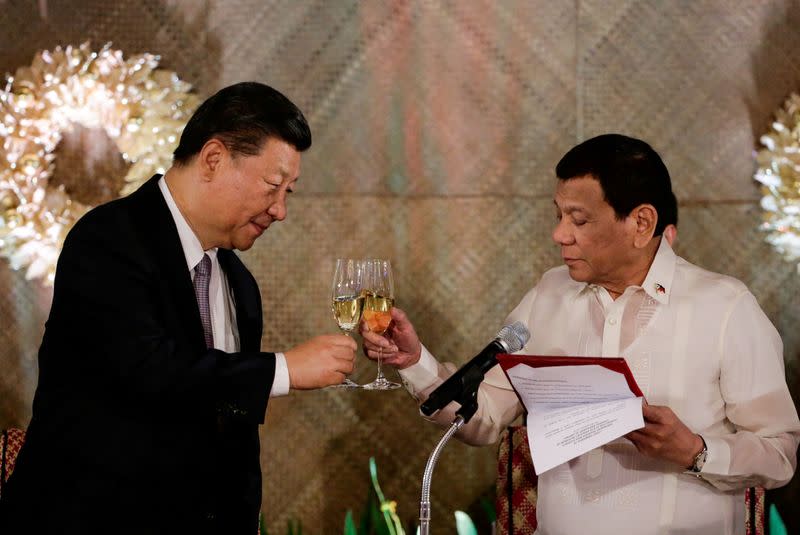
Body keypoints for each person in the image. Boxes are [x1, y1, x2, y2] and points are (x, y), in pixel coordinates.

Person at [362, 134, 800, 534]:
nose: (559, 234)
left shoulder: (725, 306)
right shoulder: (550, 294)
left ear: (642, 223)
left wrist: (696, 451)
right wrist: (415, 362)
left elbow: (779, 454)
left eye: (579, 220)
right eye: (558, 216)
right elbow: (482, 419)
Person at [0, 82, 356, 534]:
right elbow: (147, 371)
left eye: (290, 191)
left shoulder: (239, 284)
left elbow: (230, 441)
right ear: (213, 159)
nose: (281, 210)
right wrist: (282, 370)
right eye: (272, 186)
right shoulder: (108, 239)